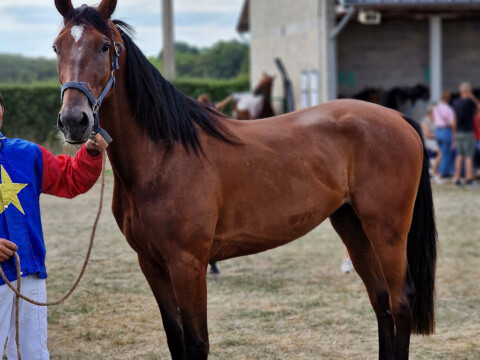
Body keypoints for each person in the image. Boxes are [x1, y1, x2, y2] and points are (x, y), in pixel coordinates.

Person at [0, 90, 108, 359]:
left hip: (30, 275)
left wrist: (90, 151)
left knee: (33, 354)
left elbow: (71, 178)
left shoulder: (27, 153)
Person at [452, 82, 480, 186]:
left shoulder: (456, 102)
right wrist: (472, 96)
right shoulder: (469, 101)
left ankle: (457, 178)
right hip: (468, 132)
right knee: (469, 156)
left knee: (459, 156)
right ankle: (469, 179)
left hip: (459, 132)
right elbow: (479, 107)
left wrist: (454, 134)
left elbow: (454, 120)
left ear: (460, 91)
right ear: (469, 91)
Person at [432, 91, 456, 182]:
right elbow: (452, 123)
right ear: (448, 98)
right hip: (446, 131)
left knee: (443, 152)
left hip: (438, 131)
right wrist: (454, 134)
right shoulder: (449, 109)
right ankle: (440, 174)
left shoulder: (436, 108)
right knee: (446, 153)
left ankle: (451, 172)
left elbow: (435, 119)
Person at [421, 102, 440, 177]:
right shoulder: (426, 121)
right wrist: (438, 135)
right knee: (440, 152)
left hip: (434, 140)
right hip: (428, 141)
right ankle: (434, 172)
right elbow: (427, 134)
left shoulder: (435, 120)